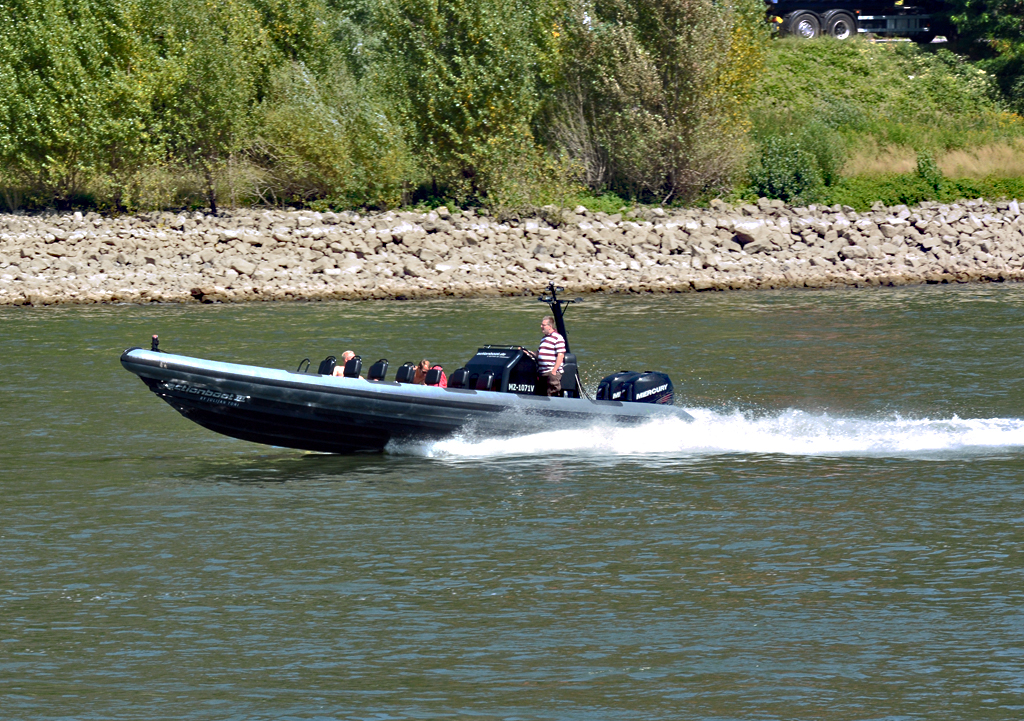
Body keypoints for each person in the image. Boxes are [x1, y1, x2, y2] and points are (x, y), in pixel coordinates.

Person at [536, 315, 565, 396]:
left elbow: (560, 355)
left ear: (550, 326)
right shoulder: (544, 339)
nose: (541, 326)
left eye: (543, 325)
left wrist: (554, 371)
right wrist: (527, 352)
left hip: (551, 372)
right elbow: (539, 353)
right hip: (542, 372)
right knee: (542, 394)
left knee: (552, 393)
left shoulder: (558, 338)